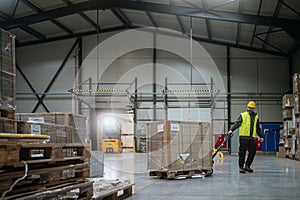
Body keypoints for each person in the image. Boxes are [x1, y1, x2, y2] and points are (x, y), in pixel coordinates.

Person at [227, 101, 264, 173]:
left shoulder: (256, 116)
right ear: (247, 107)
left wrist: (260, 136)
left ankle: (247, 166)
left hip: (251, 138)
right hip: (243, 137)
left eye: (251, 108)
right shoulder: (243, 115)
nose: (250, 109)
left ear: (253, 108)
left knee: (252, 152)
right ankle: (241, 167)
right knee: (242, 152)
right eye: (249, 108)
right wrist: (231, 130)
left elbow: (257, 127)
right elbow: (237, 123)